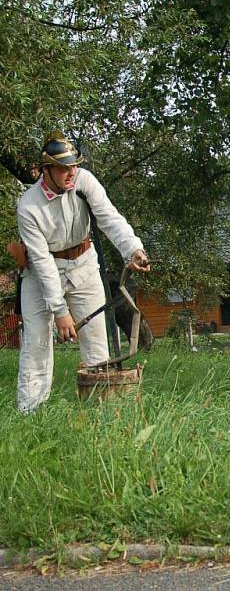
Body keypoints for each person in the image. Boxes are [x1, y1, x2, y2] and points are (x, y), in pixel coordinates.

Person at [15, 131, 150, 413]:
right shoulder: (29, 206)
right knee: (36, 345)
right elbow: (41, 263)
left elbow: (110, 218)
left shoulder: (84, 181)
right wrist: (60, 311)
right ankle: (30, 412)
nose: (71, 173)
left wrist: (133, 250)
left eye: (74, 166)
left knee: (97, 343)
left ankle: (100, 411)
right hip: (42, 276)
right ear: (46, 169)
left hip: (84, 265)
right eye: (64, 168)